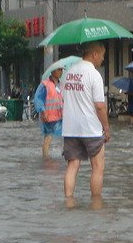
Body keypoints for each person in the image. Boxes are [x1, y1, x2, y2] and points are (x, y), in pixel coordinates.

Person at [61, 41, 111, 201]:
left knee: (72, 165)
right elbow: (100, 106)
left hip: (70, 128)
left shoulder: (68, 73)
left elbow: (63, 96)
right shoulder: (94, 74)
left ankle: (69, 201)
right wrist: (107, 128)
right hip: (90, 128)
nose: (103, 59)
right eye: (102, 55)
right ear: (94, 54)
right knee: (97, 167)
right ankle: (96, 204)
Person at [34, 64, 65, 158]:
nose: (61, 72)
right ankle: (45, 157)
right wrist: (42, 111)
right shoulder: (45, 84)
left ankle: (65, 152)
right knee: (48, 137)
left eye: (61, 70)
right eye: (59, 70)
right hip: (49, 116)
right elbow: (38, 99)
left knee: (67, 135)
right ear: (52, 71)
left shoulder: (61, 85)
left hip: (60, 115)